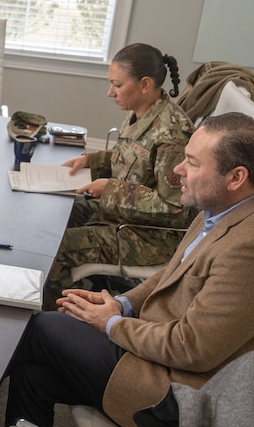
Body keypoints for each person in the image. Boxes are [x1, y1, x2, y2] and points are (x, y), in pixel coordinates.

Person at [0, 113, 254, 427]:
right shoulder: (225, 208)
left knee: (42, 328)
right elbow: (171, 273)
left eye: (192, 163)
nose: (178, 170)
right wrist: (123, 303)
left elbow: (192, 348)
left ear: (236, 177)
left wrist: (111, 324)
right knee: (32, 374)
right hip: (161, 363)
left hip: (191, 399)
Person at [45, 43, 195, 306]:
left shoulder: (172, 136)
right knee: (51, 218)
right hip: (120, 215)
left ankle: (60, 312)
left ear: (145, 84)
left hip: (148, 237)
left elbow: (174, 207)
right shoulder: (141, 112)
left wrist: (111, 190)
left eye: (117, 85)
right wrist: (91, 161)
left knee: (58, 247)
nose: (109, 93)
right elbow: (127, 158)